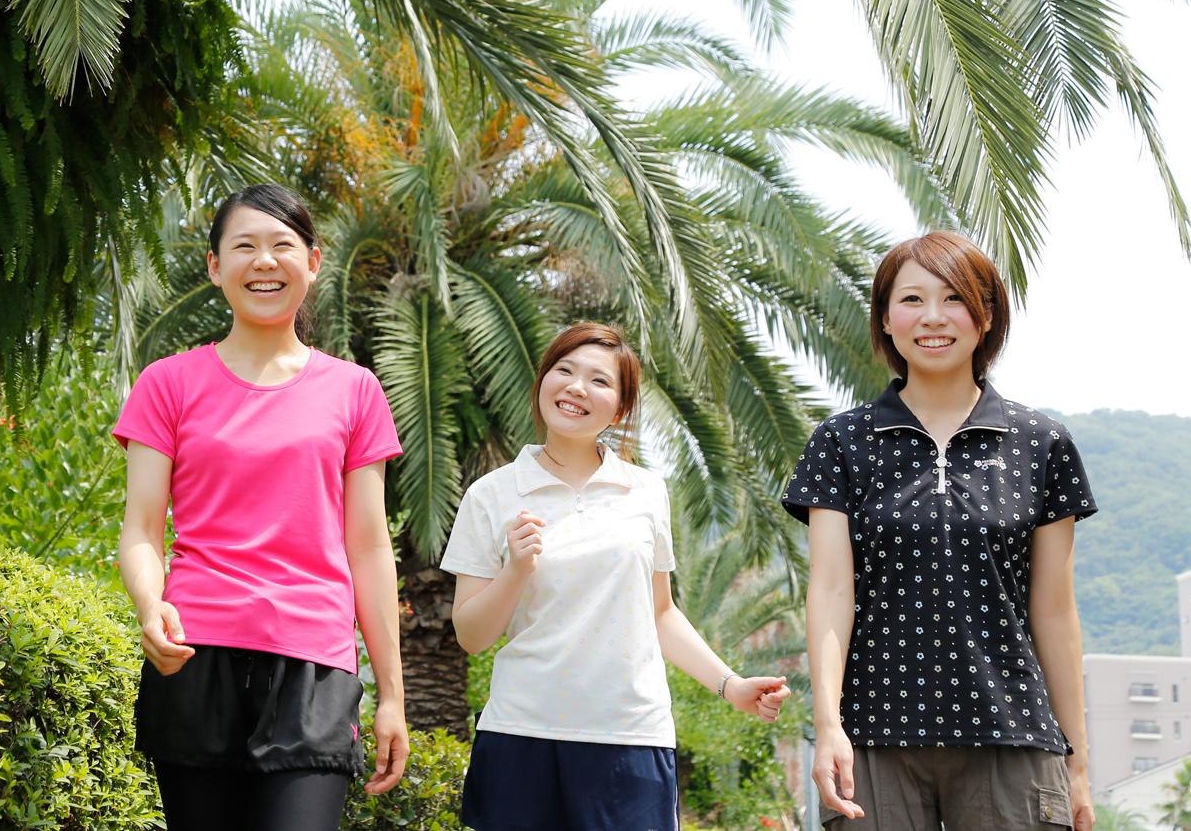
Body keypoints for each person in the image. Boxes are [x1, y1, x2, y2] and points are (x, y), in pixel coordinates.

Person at [115, 184, 410, 831]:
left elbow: (368, 546)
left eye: (282, 245)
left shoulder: (355, 391)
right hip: (195, 653)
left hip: (315, 663)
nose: (264, 261)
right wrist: (149, 604)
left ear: (314, 261)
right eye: (243, 246)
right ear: (216, 266)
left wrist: (392, 693)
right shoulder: (167, 382)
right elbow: (140, 528)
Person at [783, 232, 1098, 831]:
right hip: (874, 738)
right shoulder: (841, 443)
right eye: (911, 300)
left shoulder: (1042, 443)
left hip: (1014, 738)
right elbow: (829, 592)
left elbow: (1055, 612)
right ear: (885, 319)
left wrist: (1078, 762)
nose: (932, 318)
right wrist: (828, 727)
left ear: (986, 318)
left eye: (954, 298)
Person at [442, 322, 791, 831]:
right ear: (543, 381)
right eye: (564, 370)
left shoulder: (646, 491)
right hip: (521, 733)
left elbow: (661, 613)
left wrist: (730, 685)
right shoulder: (492, 494)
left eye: (599, 381)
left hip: (630, 738)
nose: (576, 388)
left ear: (622, 408)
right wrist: (515, 570)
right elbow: (471, 636)